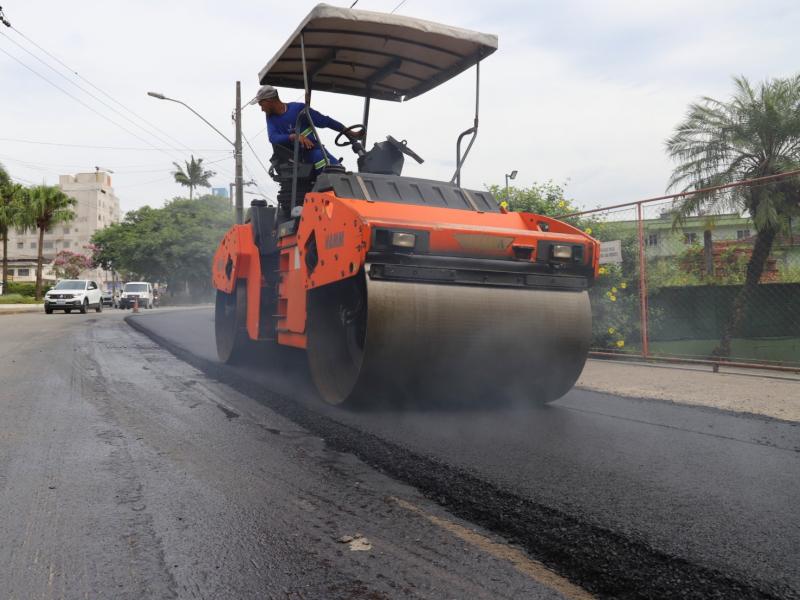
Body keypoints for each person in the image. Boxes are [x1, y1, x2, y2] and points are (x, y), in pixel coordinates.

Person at [251, 85, 362, 173]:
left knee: (338, 168)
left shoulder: (298, 109)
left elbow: (325, 121)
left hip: (315, 150)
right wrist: (295, 136)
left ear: (270, 100)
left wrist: (349, 132)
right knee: (321, 159)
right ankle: (325, 189)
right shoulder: (271, 118)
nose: (262, 109)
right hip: (297, 158)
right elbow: (273, 138)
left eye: (262, 104)